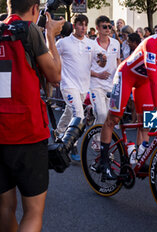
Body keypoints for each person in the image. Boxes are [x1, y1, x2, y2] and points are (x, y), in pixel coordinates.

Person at [98, 11, 157, 180]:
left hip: (143, 82)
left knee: (147, 123)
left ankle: (138, 157)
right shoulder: (152, 43)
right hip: (126, 76)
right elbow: (153, 79)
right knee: (113, 119)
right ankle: (103, 162)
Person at [0, 0, 64, 231]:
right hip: (27, 132)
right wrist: (51, 35)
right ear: (35, 9)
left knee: (5, 207)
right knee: (33, 211)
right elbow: (55, 75)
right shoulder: (29, 31)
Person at [55, 14, 95, 161]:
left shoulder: (91, 43)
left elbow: (96, 62)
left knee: (69, 111)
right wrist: (55, 76)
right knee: (79, 115)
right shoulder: (63, 43)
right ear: (74, 25)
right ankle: (73, 145)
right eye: (80, 24)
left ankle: (59, 132)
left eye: (85, 24)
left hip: (83, 86)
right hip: (68, 85)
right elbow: (53, 59)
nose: (83, 27)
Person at [90, 16, 121, 130]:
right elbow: (84, 68)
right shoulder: (91, 45)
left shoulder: (115, 43)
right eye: (104, 27)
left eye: (109, 26)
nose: (108, 29)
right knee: (102, 114)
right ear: (98, 28)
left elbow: (118, 60)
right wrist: (98, 75)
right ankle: (96, 139)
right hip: (96, 84)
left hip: (111, 85)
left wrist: (119, 74)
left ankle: (104, 140)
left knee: (108, 116)